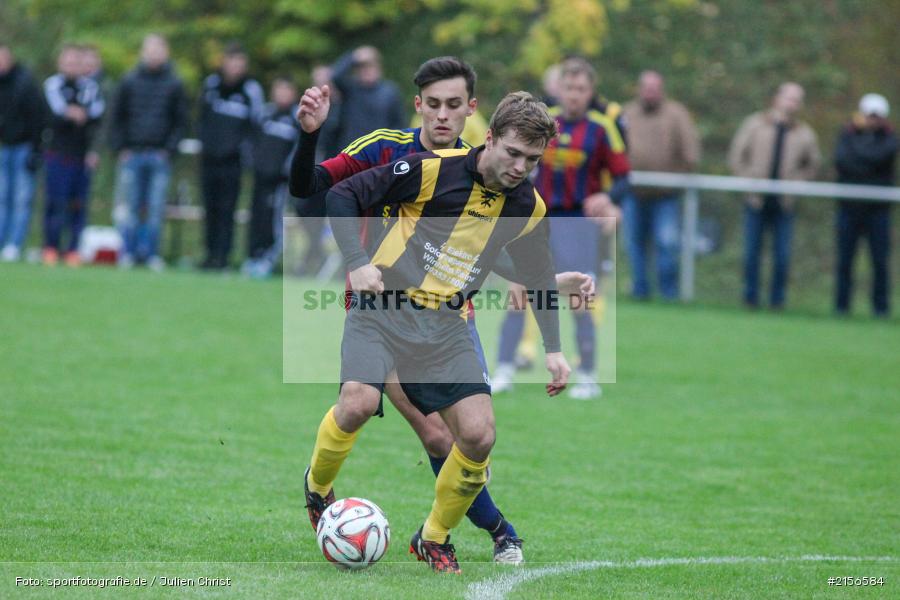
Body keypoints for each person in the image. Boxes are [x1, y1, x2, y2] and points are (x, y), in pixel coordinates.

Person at [292, 57, 593, 565]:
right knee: (366, 405)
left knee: (474, 436)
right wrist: (357, 260)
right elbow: (321, 191)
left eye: (454, 105)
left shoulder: (522, 201)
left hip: (449, 321)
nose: (443, 115)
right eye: (434, 104)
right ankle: (321, 490)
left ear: (471, 112)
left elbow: (487, 253)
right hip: (381, 308)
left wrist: (554, 342)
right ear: (491, 135)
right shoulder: (403, 157)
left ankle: (435, 537)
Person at [493, 57, 629, 400]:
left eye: (581, 89)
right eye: (569, 87)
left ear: (590, 92)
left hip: (577, 223)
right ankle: (503, 369)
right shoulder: (543, 121)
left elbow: (624, 175)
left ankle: (587, 375)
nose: (574, 95)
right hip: (536, 218)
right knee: (518, 293)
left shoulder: (601, 128)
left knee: (579, 298)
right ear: (560, 88)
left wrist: (608, 197)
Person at [728, 82, 820, 310]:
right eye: (789, 98)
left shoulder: (804, 133)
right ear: (777, 98)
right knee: (751, 254)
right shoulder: (755, 125)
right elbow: (736, 157)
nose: (792, 103)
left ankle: (777, 302)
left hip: (784, 204)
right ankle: (750, 300)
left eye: (797, 99)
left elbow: (813, 165)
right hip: (756, 201)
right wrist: (750, 180)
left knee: (782, 257)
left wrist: (797, 183)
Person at [109, 34, 188, 271]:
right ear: (143, 51)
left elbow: (181, 121)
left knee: (155, 208)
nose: (154, 54)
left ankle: (151, 253)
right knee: (130, 207)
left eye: (158, 49)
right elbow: (116, 117)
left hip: (159, 155)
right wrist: (120, 148)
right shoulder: (129, 81)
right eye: (150, 49)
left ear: (166, 52)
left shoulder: (174, 84)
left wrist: (169, 150)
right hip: (132, 153)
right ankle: (128, 252)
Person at [622, 70, 701, 300]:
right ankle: (640, 291)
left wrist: (675, 177)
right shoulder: (626, 113)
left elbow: (691, 153)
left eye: (654, 88)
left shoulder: (676, 115)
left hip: (665, 195)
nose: (650, 92)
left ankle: (669, 295)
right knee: (633, 243)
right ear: (639, 89)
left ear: (662, 90)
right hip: (632, 192)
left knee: (666, 244)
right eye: (646, 87)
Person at [198, 43, 264, 270]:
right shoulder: (211, 85)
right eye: (232, 61)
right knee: (210, 208)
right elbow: (202, 118)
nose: (235, 67)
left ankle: (224, 257)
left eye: (240, 63)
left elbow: (257, 124)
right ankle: (209, 254)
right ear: (224, 62)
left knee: (228, 209)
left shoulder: (251, 90)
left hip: (233, 161)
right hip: (209, 158)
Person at [41, 45, 105, 266]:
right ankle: (50, 247)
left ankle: (73, 250)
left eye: (76, 62)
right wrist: (74, 114)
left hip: (82, 156)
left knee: (78, 205)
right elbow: (55, 114)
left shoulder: (91, 87)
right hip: (58, 155)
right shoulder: (52, 85)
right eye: (68, 62)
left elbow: (97, 116)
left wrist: (93, 150)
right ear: (61, 63)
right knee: (55, 202)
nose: (72, 66)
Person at [834, 94, 897, 317]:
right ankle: (841, 307)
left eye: (876, 116)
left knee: (879, 261)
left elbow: (880, 157)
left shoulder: (889, 137)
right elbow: (842, 161)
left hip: (878, 210)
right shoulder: (847, 134)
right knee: (844, 260)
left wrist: (859, 158)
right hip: (849, 208)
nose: (872, 120)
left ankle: (881, 309)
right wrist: (864, 159)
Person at [243, 77, 299, 278]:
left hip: (280, 182)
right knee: (256, 217)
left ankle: (268, 259)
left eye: (286, 90)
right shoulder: (265, 114)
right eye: (278, 90)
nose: (282, 95)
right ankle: (252, 255)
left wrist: (286, 170)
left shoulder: (297, 117)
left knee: (273, 219)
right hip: (260, 178)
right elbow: (251, 141)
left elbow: (299, 149)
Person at [0, 43, 47, 262]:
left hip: (22, 148)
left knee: (20, 198)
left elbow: (38, 117)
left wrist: (36, 149)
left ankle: (14, 244)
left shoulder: (25, 82)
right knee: (2, 197)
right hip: (3, 147)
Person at [330, 46, 405, 149]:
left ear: (378, 68)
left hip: (378, 151)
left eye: (370, 66)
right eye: (362, 67)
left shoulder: (390, 91)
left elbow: (398, 124)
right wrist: (353, 56)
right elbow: (335, 76)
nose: (366, 71)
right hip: (351, 150)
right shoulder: (351, 88)